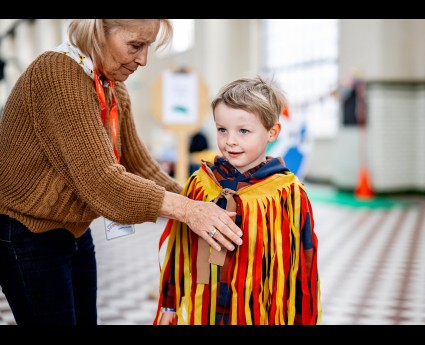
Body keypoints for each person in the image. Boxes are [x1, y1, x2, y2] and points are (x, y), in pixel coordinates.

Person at [0, 19, 243, 326]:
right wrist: (189, 210)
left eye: (148, 47)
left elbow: (140, 166)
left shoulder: (112, 87)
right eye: (135, 46)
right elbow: (102, 182)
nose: (143, 60)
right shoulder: (59, 74)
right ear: (99, 30)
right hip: (27, 232)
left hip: (73, 230)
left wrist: (202, 198)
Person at [153, 75, 321, 325]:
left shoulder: (287, 194)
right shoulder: (201, 184)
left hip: (259, 315)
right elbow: (179, 251)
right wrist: (170, 304)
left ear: (272, 132)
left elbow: (304, 266)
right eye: (222, 129)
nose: (230, 140)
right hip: (205, 310)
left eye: (243, 131)